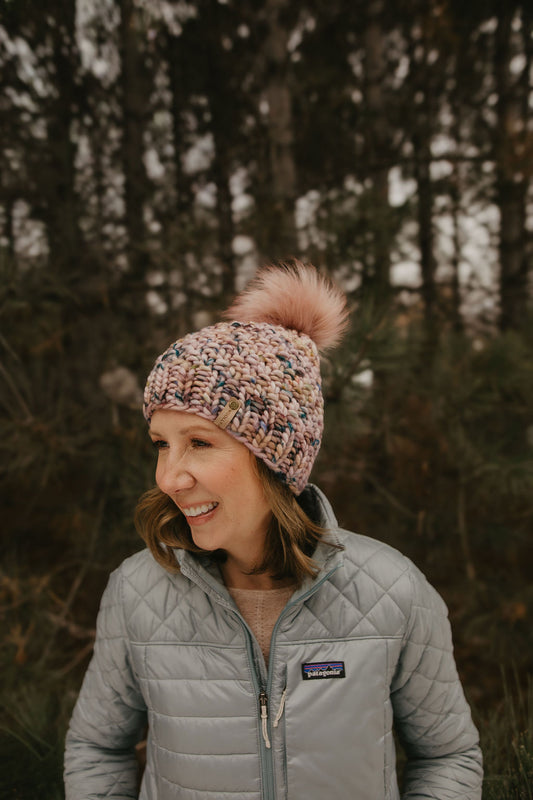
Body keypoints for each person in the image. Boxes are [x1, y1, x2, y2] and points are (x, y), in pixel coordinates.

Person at [64, 261, 483, 799]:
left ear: (276, 460)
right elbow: (98, 749)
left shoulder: (393, 591)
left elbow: (447, 755)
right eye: (160, 444)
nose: (168, 477)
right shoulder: (137, 593)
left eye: (200, 442)